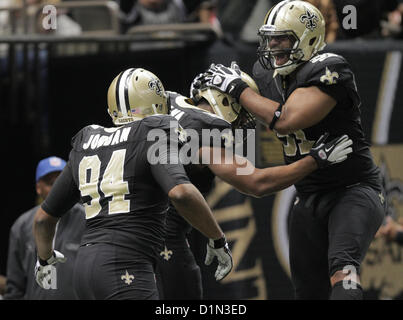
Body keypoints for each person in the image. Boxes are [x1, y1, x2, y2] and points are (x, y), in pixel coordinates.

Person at [197, 0, 387, 300]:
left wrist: (237, 89)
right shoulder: (264, 71)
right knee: (308, 292)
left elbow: (285, 120)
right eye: (270, 38)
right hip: (308, 196)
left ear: (307, 39)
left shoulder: (330, 68)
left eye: (282, 38)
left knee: (342, 270)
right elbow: (242, 111)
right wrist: (206, 96)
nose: (273, 46)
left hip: (353, 190)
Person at [32, 68, 232, 300]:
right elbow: (181, 193)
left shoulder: (87, 140)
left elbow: (43, 218)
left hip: (84, 269)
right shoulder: (153, 131)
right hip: (126, 267)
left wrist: (44, 258)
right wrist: (217, 238)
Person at [156, 70, 353, 299]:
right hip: (157, 234)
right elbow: (256, 182)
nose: (243, 121)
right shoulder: (205, 131)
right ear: (225, 100)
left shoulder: (166, 101)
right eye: (242, 110)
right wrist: (315, 160)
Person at [4, 156, 85, 300]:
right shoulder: (22, 225)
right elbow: (15, 286)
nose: (57, 188)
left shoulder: (87, 219)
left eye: (61, 182)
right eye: (50, 183)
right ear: (38, 188)